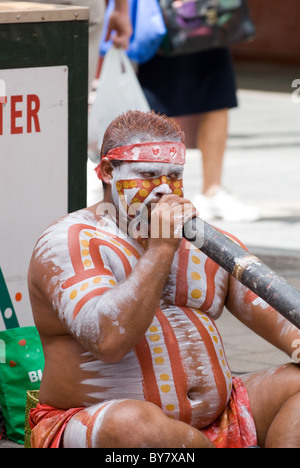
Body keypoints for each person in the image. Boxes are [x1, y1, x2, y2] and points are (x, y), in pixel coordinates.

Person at [27, 110, 300, 448]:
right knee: (134, 427)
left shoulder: (202, 243)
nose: (163, 190)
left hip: (223, 419)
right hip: (101, 427)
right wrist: (161, 248)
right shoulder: (70, 241)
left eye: (174, 176)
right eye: (148, 174)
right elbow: (109, 340)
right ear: (109, 172)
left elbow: (284, 318)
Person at [137, 48, 260, 222]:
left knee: (218, 97)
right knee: (163, 96)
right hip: (164, 28)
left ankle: (212, 192)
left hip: (207, 27)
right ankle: (161, 192)